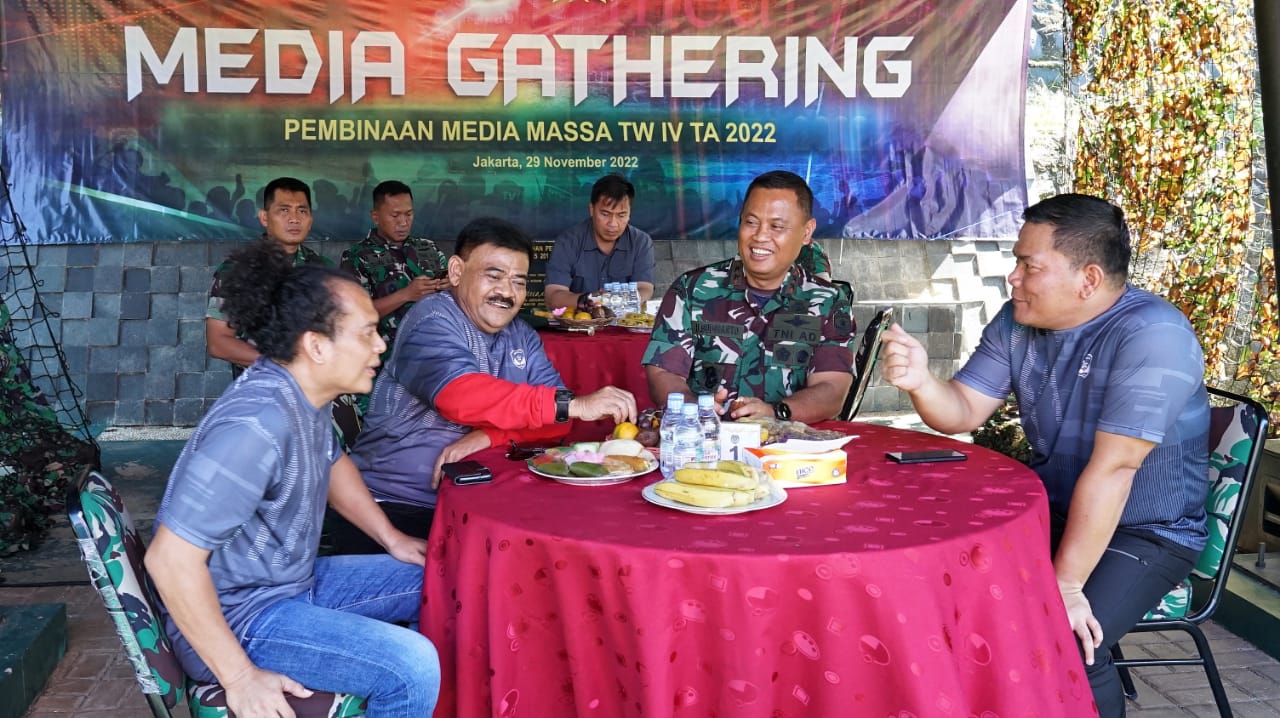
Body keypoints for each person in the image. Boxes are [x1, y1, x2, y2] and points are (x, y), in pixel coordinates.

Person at [878, 193, 1209, 718]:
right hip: (1050, 512)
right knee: (948, 595)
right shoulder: (1017, 322)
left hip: (1148, 529)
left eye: (1028, 265)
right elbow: (963, 410)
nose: (1013, 277)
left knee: (1068, 640)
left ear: (1088, 279)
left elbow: (1115, 470)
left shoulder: (1152, 335)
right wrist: (921, 381)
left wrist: (1068, 585)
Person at [146, 240, 440, 717]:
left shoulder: (302, 394)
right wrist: (239, 677)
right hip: (238, 617)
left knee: (442, 578)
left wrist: (392, 539)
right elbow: (169, 561)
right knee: (411, 665)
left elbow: (333, 464)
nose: (381, 345)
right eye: (367, 333)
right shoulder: (253, 427)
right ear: (316, 345)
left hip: (290, 586)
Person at [336, 217, 637, 553]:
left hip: (477, 506)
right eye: (493, 276)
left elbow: (557, 423)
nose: (507, 292)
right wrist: (573, 404)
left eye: (518, 282)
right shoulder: (432, 319)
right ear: (456, 272)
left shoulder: (522, 335)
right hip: (394, 509)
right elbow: (459, 396)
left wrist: (489, 436)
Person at [643, 170, 857, 423]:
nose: (760, 236)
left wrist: (776, 413)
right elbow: (662, 373)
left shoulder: (828, 301)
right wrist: (696, 408)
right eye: (751, 222)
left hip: (791, 442)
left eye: (776, 226)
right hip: (708, 439)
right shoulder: (692, 290)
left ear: (806, 232)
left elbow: (832, 388)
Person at [206, 177, 362, 447]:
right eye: (284, 210)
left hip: (324, 393)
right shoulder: (238, 271)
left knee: (343, 453)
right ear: (264, 217)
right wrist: (284, 365)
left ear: (311, 218)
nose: (294, 219)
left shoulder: (322, 268)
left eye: (302, 211)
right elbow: (218, 342)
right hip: (267, 393)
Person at [341, 180, 449, 356]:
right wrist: (406, 294)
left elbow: (456, 294)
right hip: (388, 356)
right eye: (395, 215)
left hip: (437, 349)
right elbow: (353, 315)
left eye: (409, 214)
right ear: (375, 217)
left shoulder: (428, 248)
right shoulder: (356, 256)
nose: (403, 222)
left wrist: (450, 286)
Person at [544, 174, 656, 311]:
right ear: (592, 209)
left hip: (624, 321)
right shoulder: (568, 242)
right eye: (605, 214)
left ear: (629, 214)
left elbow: (645, 288)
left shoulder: (640, 242)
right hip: (580, 321)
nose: (613, 224)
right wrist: (591, 300)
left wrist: (614, 301)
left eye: (621, 215)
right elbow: (553, 295)